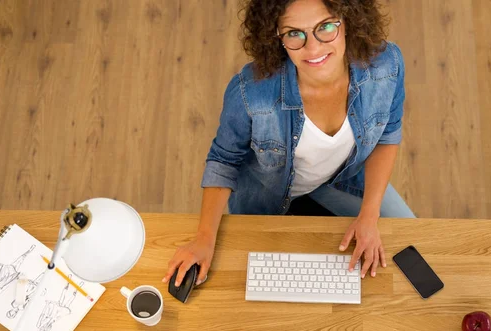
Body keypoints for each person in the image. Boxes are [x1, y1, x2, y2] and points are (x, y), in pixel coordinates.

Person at [163, 0, 415, 289]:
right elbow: (224, 160)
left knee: (411, 235)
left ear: (348, 20)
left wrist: (369, 217)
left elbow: (387, 135)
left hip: (345, 177)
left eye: (326, 27)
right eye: (295, 33)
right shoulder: (251, 92)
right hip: (267, 196)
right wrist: (203, 240)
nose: (313, 48)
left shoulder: (386, 66)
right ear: (277, 37)